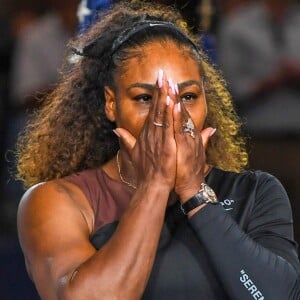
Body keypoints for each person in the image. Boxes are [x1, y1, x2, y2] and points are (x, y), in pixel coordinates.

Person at [16, 1, 300, 299]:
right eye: (144, 98)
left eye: (188, 95)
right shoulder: (59, 201)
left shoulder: (255, 192)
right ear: (112, 104)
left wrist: (194, 193)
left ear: (207, 100)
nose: (171, 114)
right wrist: (155, 183)